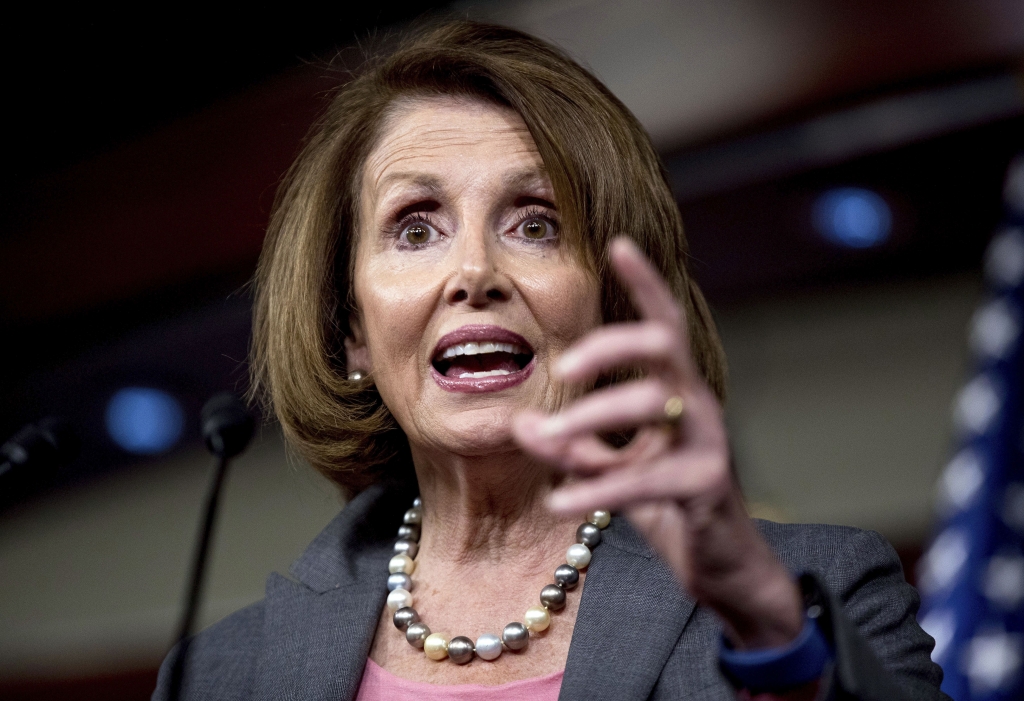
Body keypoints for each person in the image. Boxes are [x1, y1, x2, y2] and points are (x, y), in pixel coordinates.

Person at [154, 21, 947, 701]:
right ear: (351, 328)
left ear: (614, 302)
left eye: (536, 224)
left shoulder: (821, 591)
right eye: (415, 227)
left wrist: (773, 635)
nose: (474, 273)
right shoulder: (222, 674)